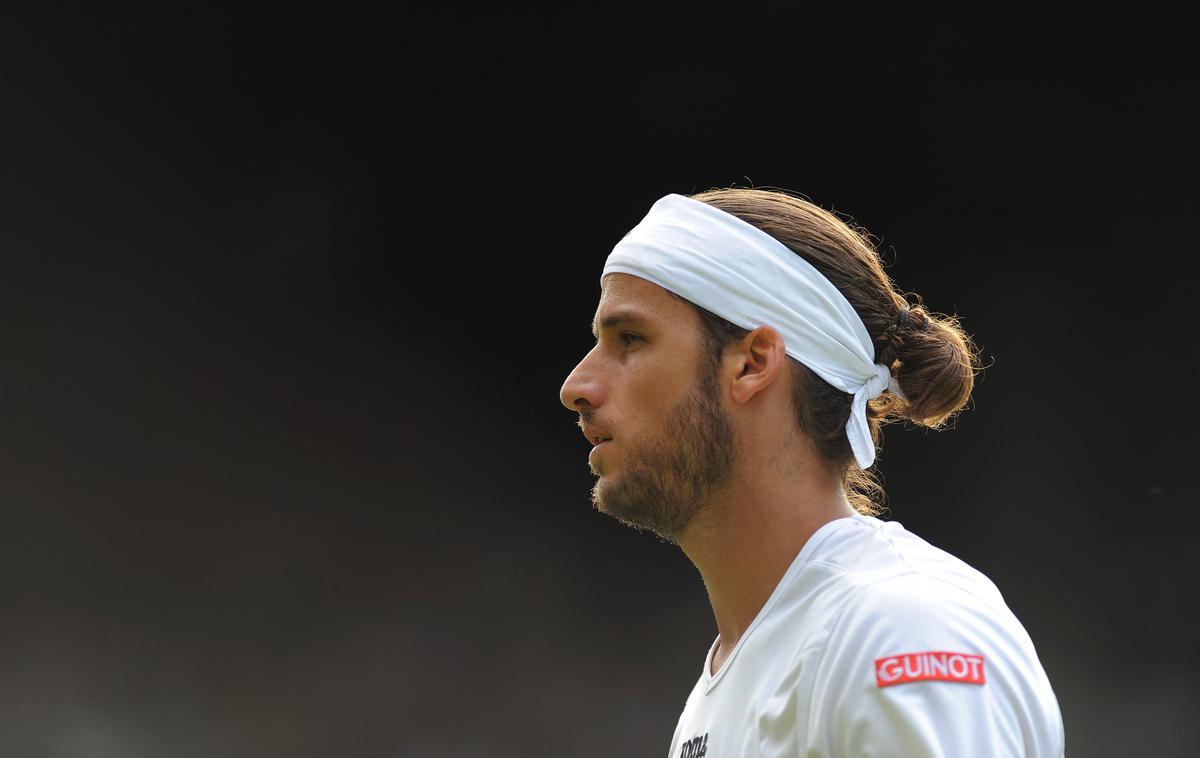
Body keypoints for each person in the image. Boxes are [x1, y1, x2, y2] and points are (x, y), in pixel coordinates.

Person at [558, 188, 1065, 757]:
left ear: (752, 364)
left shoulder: (900, 628)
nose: (576, 387)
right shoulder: (740, 673)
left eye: (630, 339)